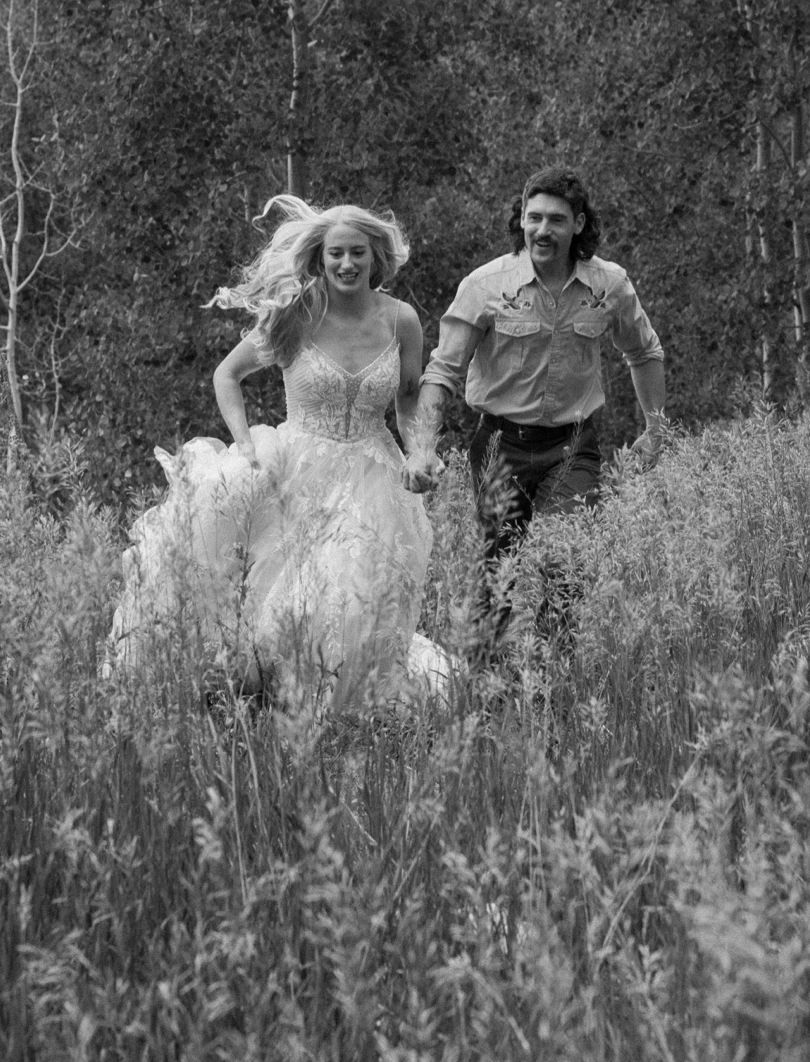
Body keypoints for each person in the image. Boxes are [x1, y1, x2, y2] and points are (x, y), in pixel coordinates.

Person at [103, 196, 457, 710]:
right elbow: (228, 374)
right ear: (320, 256)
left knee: (352, 591)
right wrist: (245, 445)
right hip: (297, 465)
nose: (347, 264)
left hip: (373, 470)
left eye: (358, 252)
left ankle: (338, 701)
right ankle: (268, 690)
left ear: (376, 256)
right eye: (336, 253)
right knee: (288, 592)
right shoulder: (297, 312)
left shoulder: (401, 320)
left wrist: (419, 452)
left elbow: (407, 403)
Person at [403, 167, 667, 657]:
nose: (543, 230)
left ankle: (551, 678)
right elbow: (442, 372)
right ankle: (487, 686)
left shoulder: (608, 285)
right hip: (499, 446)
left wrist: (656, 428)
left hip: (573, 446)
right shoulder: (486, 285)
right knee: (496, 571)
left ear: (579, 224)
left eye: (557, 220)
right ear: (520, 222)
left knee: (566, 562)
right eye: (534, 218)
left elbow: (645, 352)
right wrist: (420, 447)